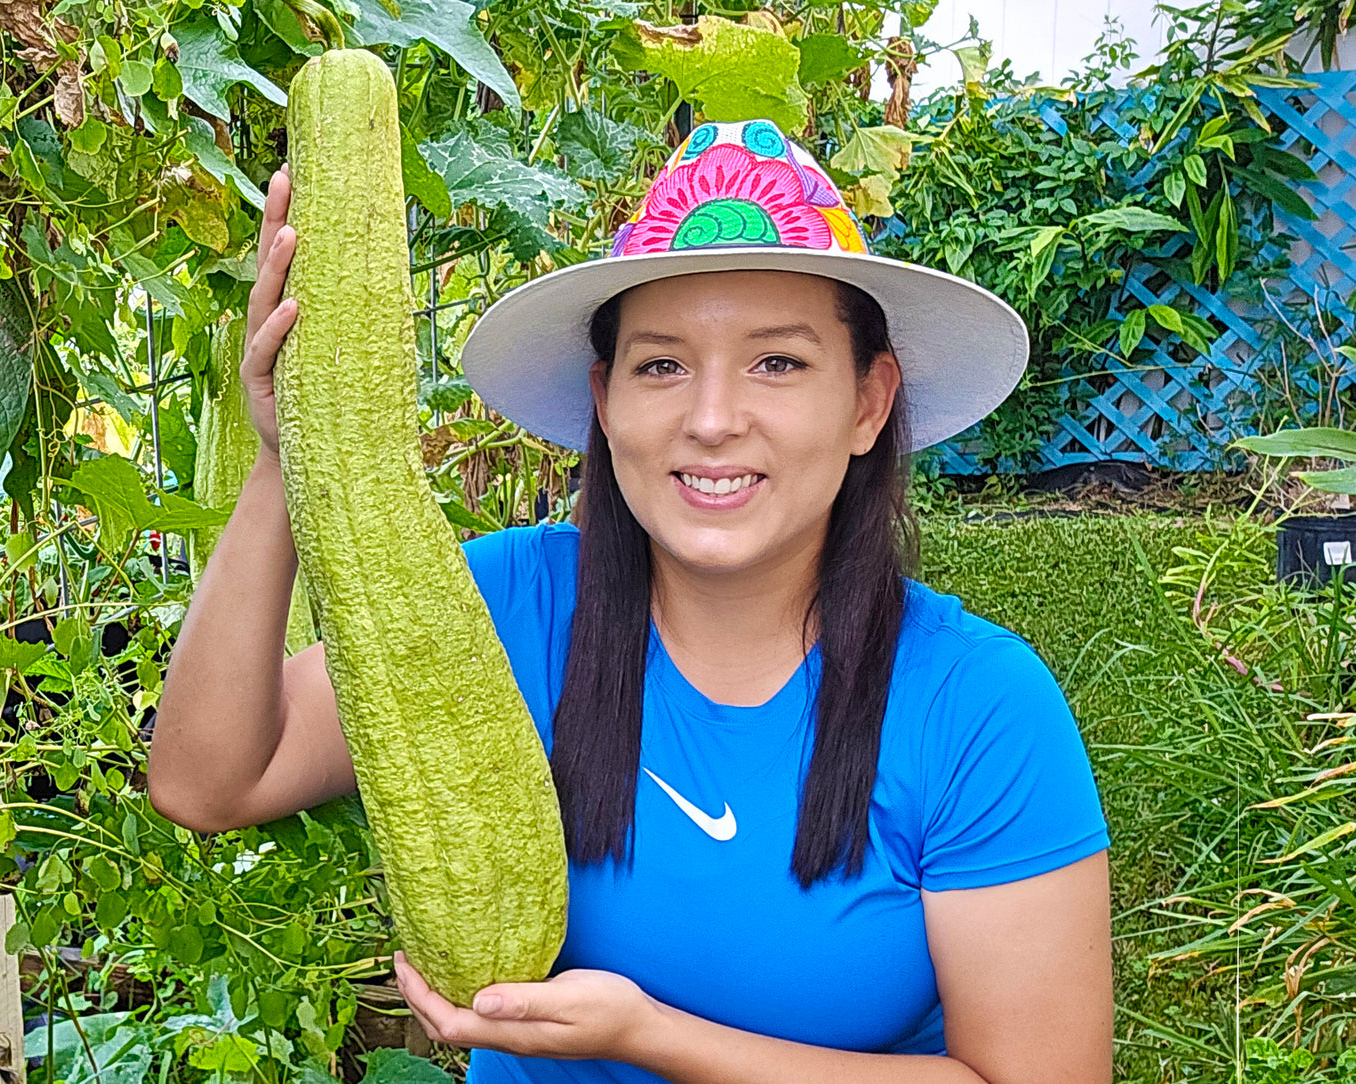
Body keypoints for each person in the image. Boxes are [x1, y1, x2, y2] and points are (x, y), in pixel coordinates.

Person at [150, 118, 1113, 1084]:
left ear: (867, 403)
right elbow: (210, 783)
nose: (710, 419)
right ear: (605, 403)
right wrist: (290, 450)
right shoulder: (507, 605)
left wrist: (649, 1036)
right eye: (661, 365)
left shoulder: (977, 705)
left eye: (777, 362)